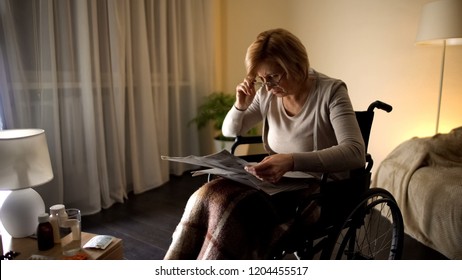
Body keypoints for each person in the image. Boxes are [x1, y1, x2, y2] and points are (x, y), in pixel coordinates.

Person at [164, 28, 365, 260]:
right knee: (207, 196)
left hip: (319, 187)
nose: (268, 87)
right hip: (275, 183)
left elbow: (355, 152)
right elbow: (231, 131)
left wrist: (291, 161)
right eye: (261, 80)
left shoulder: (331, 91)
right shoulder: (268, 94)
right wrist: (240, 104)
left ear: (297, 65)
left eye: (273, 77)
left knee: (234, 212)